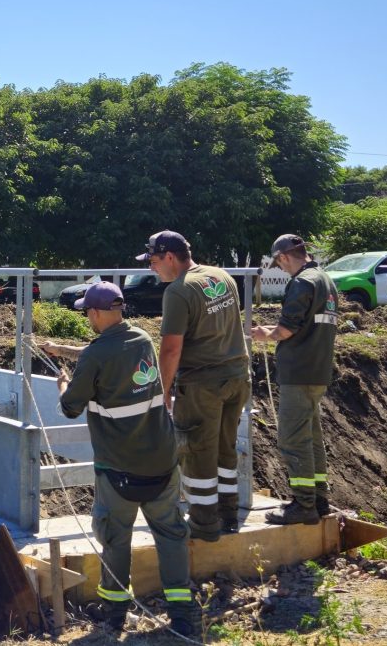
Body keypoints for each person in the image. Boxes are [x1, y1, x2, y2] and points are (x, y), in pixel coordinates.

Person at [39, 282, 199, 636]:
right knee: (171, 535)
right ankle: (183, 612)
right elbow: (105, 354)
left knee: (115, 538)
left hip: (119, 470)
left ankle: (114, 614)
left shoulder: (97, 355)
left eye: (87, 313)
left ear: (95, 313)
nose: (88, 318)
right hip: (162, 461)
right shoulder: (141, 339)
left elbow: (70, 407)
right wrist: (63, 349)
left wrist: (63, 384)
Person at [138, 230, 250, 542]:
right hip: (238, 376)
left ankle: (203, 524)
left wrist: (162, 392)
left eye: (154, 261)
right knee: (225, 449)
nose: (151, 267)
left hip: (203, 384)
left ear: (170, 257)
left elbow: (171, 348)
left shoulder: (178, 291)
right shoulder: (221, 276)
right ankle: (228, 514)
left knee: (198, 452)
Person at [251, 235, 339, 525]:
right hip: (316, 370)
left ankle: (303, 504)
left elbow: (287, 329)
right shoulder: (325, 280)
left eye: (278, 262)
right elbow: (307, 325)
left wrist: (265, 334)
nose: (281, 268)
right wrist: (273, 329)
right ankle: (319, 498)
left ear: (284, 257)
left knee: (292, 439)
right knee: (312, 437)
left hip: (298, 373)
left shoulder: (301, 283)